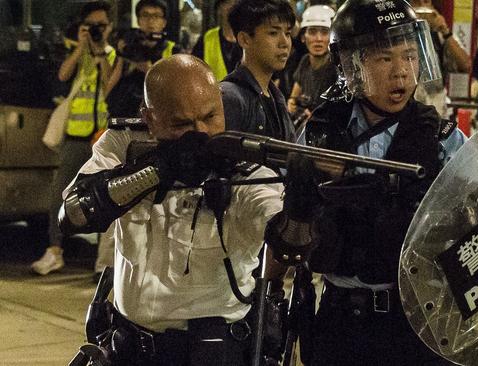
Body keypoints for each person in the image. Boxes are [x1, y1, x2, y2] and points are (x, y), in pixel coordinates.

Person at [57, 54, 308, 365]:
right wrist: (158, 170)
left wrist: (302, 205)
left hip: (213, 349)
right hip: (129, 346)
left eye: (210, 116)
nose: (200, 132)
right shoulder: (125, 143)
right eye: (182, 124)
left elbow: (286, 238)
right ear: (149, 118)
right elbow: (73, 214)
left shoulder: (242, 160)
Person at [298, 1, 472, 364]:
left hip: (418, 320)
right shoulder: (321, 134)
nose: (401, 72)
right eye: (384, 59)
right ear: (351, 65)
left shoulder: (442, 138)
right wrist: (307, 185)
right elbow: (288, 229)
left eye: (410, 55)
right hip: (341, 318)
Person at [31, 1, 116, 276]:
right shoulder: (76, 53)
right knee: (60, 192)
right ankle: (55, 250)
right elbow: (63, 74)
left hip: (103, 137)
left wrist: (101, 53)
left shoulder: (114, 54)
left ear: (110, 27)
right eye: (91, 26)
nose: (96, 30)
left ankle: (103, 261)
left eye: (101, 26)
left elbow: (108, 88)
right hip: (76, 136)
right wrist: (81, 48)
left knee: (107, 194)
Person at [220, 0, 296, 141]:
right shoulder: (230, 97)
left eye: (288, 33)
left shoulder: (276, 96)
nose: (284, 43)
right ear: (244, 39)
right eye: (273, 33)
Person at [107, 0, 180, 119]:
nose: (150, 21)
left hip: (157, 119)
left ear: (164, 22)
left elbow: (175, 92)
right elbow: (108, 87)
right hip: (123, 117)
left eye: (156, 16)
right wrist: (122, 54)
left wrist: (148, 70)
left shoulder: (173, 50)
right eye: (145, 15)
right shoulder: (129, 46)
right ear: (139, 20)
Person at [286, 5, 337, 129]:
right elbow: (293, 98)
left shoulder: (337, 68)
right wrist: (293, 105)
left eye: (325, 32)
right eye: (313, 32)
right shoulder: (305, 61)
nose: (318, 39)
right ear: (303, 37)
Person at [192, 0, 242, 81]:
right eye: (227, 3)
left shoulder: (250, 38)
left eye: (235, 3)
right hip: (213, 92)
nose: (232, 7)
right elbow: (194, 70)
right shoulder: (207, 38)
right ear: (219, 9)